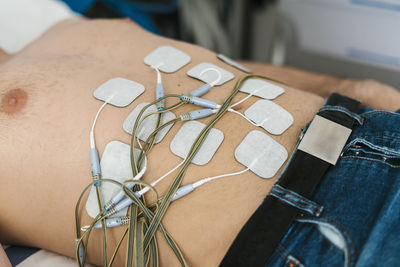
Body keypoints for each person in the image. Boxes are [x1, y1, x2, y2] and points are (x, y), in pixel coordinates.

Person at [0, 18, 399, 266]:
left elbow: (214, 66)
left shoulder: (64, 29)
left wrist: (345, 85)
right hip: (299, 239)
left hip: (369, 136)